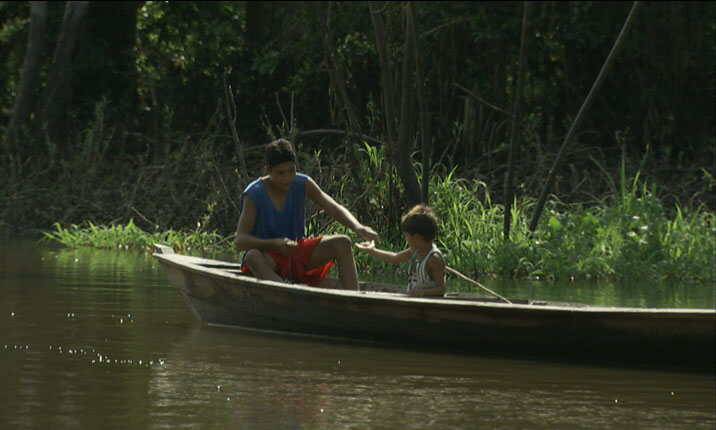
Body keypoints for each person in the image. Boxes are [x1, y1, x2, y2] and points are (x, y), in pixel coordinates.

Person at [235, 138, 378, 290]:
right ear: (267, 171)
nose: (287, 178)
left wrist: (357, 227)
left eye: (291, 170)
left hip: (295, 250)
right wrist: (274, 243)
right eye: (280, 173)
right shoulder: (254, 193)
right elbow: (241, 241)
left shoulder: (301, 183)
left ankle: (352, 301)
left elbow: (333, 207)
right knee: (252, 256)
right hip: (268, 256)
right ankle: (287, 295)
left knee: (343, 243)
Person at [356, 204, 446, 297]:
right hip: (415, 301)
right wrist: (372, 250)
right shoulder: (415, 251)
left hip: (428, 304)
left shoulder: (434, 259)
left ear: (417, 237)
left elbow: (441, 289)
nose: (406, 239)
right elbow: (395, 258)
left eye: (407, 236)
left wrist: (424, 292)